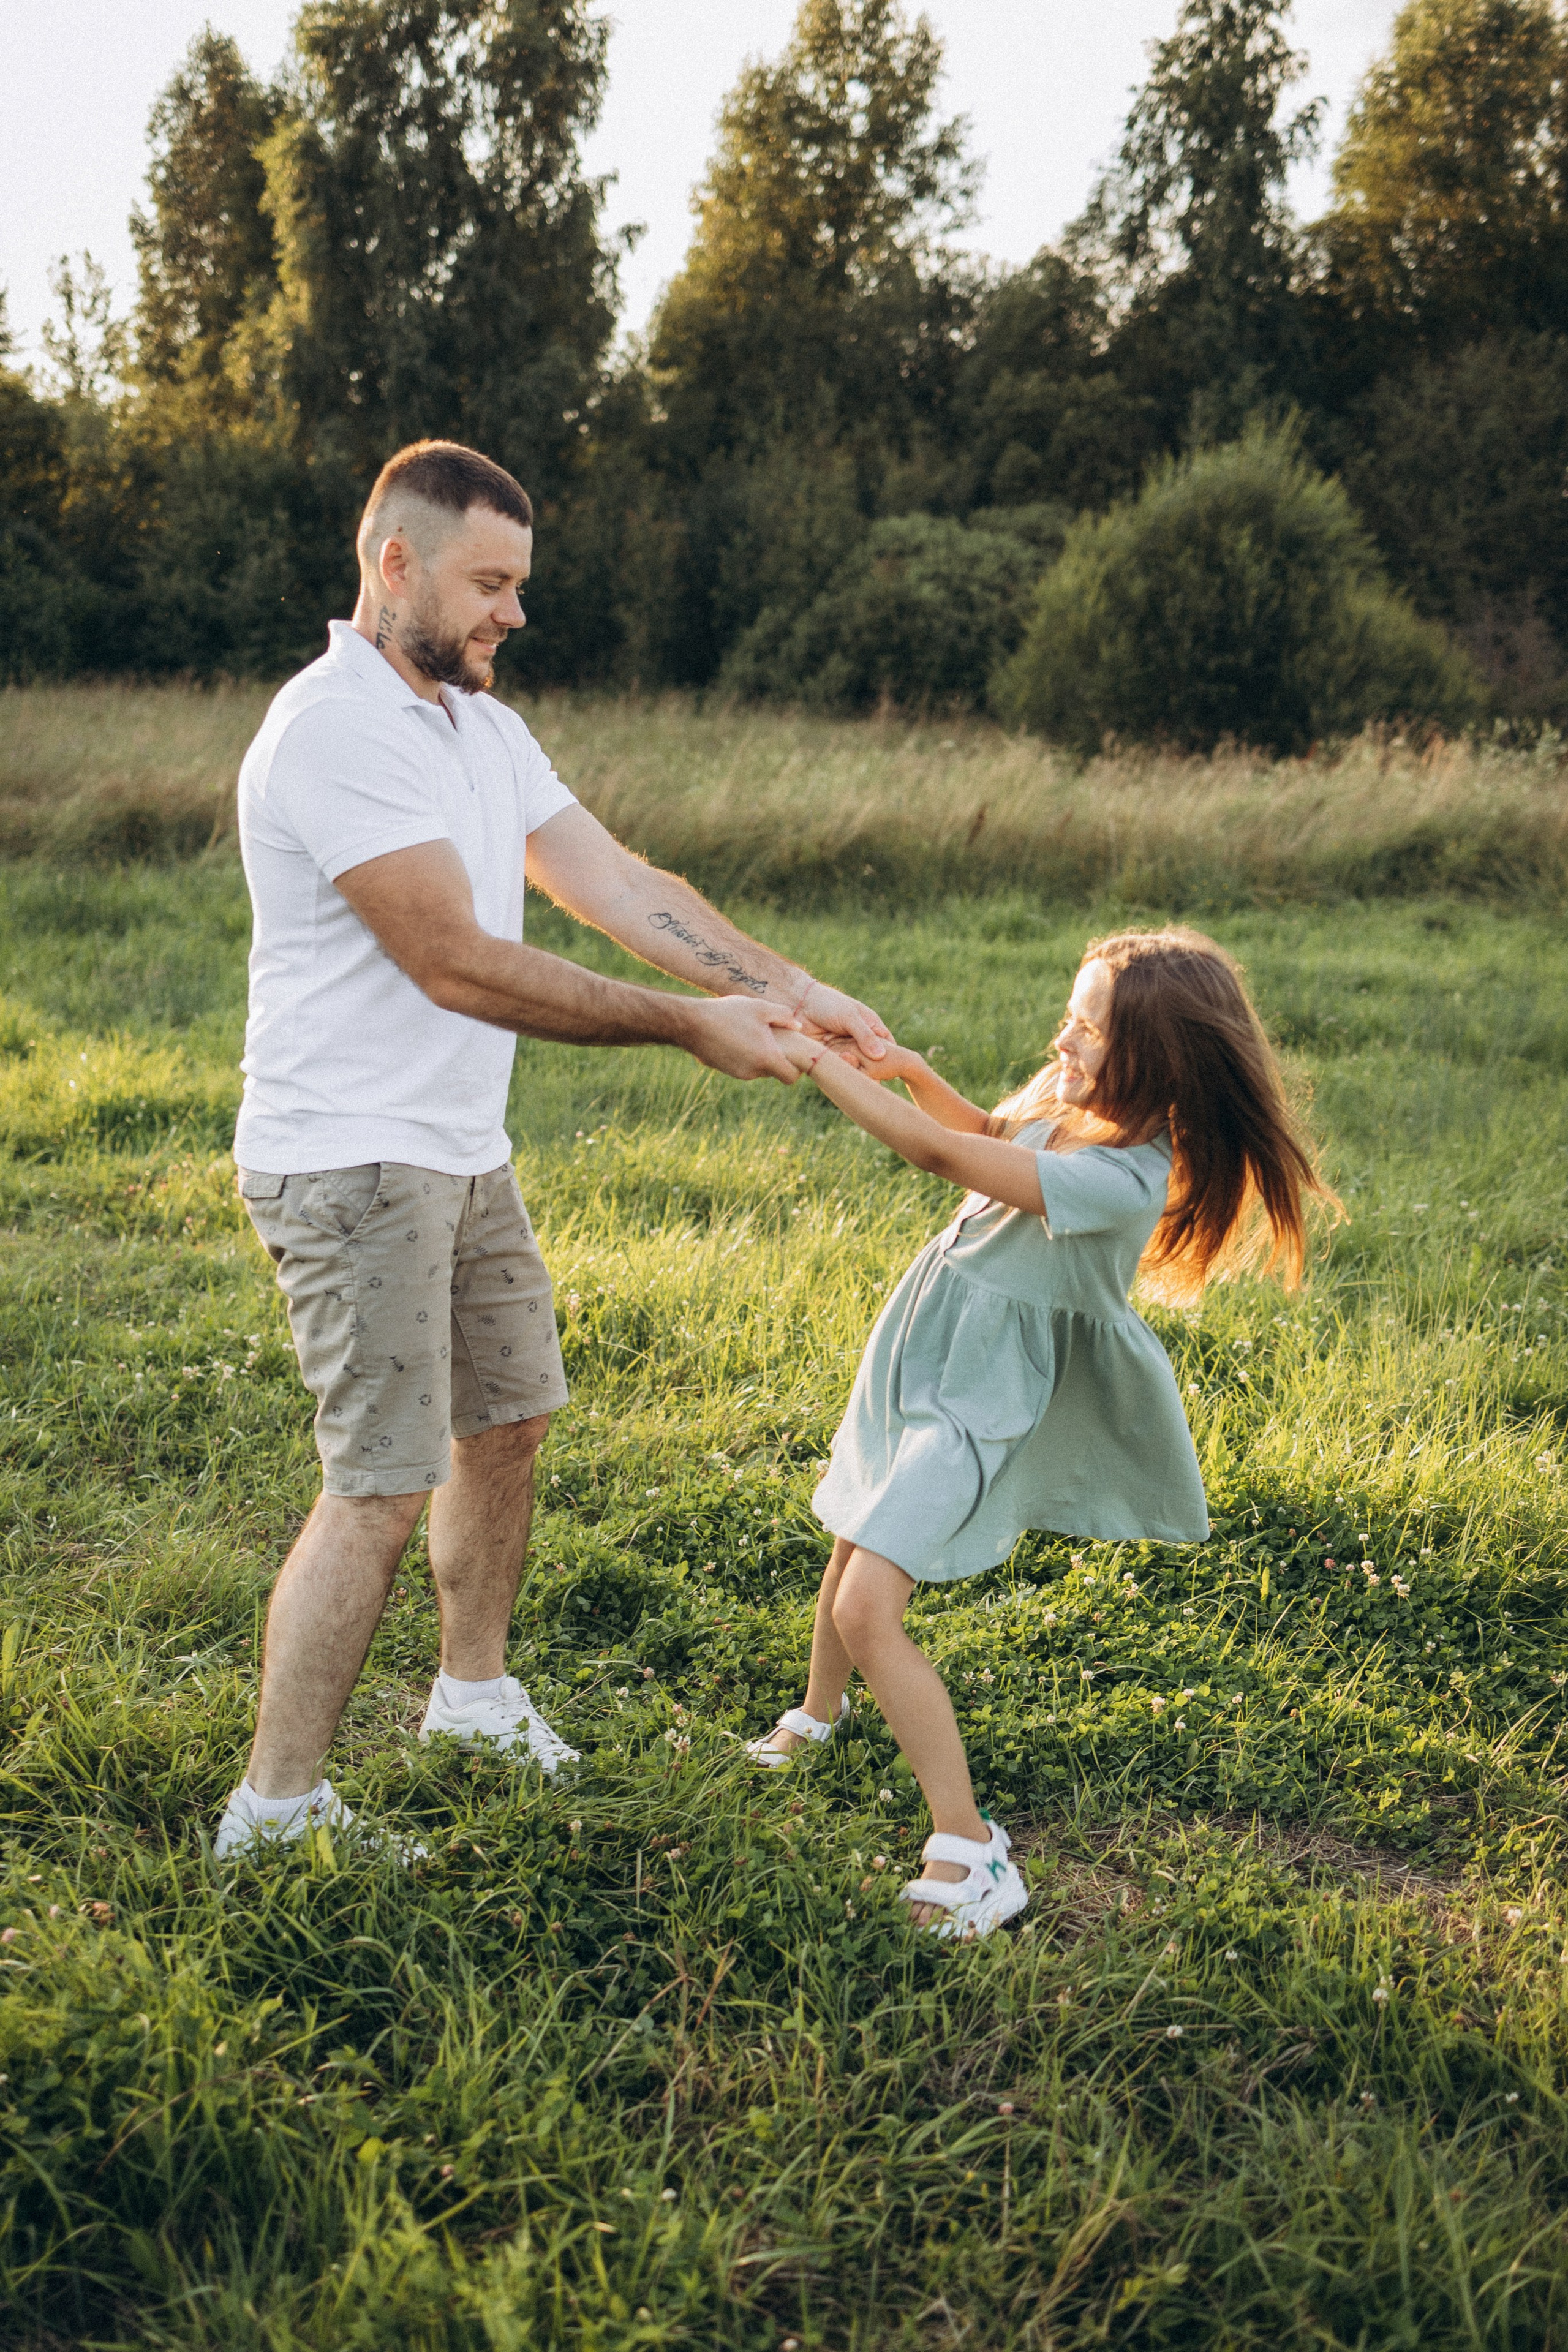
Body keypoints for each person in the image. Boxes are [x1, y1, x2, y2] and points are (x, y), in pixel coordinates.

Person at [215, 437, 888, 1861]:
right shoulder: (333, 726)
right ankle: (273, 1812)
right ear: (392, 564)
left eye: (518, 586)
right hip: (351, 1164)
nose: (512, 614)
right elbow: (454, 963)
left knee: (505, 1425)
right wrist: (690, 1028)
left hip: (461, 1152)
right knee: (381, 1485)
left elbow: (621, 885)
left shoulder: (478, 727)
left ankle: (470, 1693)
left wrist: (784, 990)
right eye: (489, 583)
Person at [745, 927, 1336, 1939]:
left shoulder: (1122, 1181)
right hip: (923, 1354)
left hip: (984, 1393)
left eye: (1090, 1028)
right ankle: (820, 1714)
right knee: (857, 1519)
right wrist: (910, 1069)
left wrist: (817, 1067)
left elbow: (939, 1153)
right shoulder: (1070, 1109)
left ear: (1157, 1059)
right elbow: (979, 1126)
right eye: (1071, 1014)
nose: (1064, 1037)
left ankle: (969, 1849)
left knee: (870, 1604)